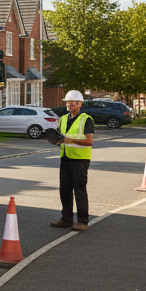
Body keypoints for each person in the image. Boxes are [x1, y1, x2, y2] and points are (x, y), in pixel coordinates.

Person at [52, 90, 94, 232]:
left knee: (79, 190)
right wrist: (55, 140)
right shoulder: (63, 119)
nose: (70, 105)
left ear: (80, 104)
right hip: (65, 159)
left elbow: (89, 141)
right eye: (68, 102)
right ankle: (66, 219)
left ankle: (83, 221)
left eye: (74, 103)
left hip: (80, 160)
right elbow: (59, 136)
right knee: (64, 190)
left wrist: (70, 140)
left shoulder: (86, 119)